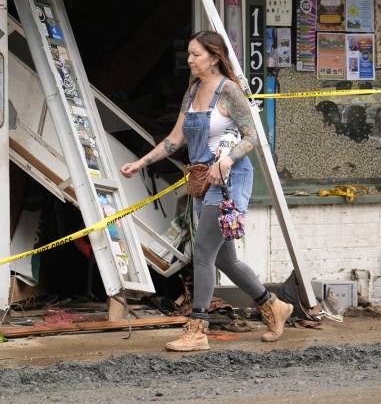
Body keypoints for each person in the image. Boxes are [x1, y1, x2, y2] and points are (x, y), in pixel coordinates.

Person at [120, 30, 293, 352]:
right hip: (202, 182)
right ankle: (273, 306)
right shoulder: (193, 91)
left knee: (202, 254)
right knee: (224, 259)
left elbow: (253, 136)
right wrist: (141, 163)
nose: (189, 60)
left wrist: (227, 159)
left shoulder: (229, 92)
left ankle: (198, 328)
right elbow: (175, 139)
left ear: (214, 57)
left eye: (195, 54)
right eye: (188, 54)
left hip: (230, 181)